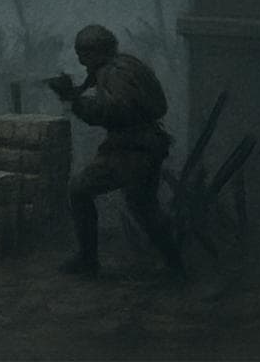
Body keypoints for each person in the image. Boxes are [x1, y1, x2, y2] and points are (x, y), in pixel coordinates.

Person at [48, 24, 184, 279]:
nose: (81, 61)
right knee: (143, 205)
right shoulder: (126, 65)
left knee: (79, 190)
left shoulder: (114, 73)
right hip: (146, 145)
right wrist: (74, 92)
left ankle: (88, 261)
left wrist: (73, 100)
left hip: (132, 149)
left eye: (84, 55)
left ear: (96, 52)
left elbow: (113, 111)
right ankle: (175, 265)